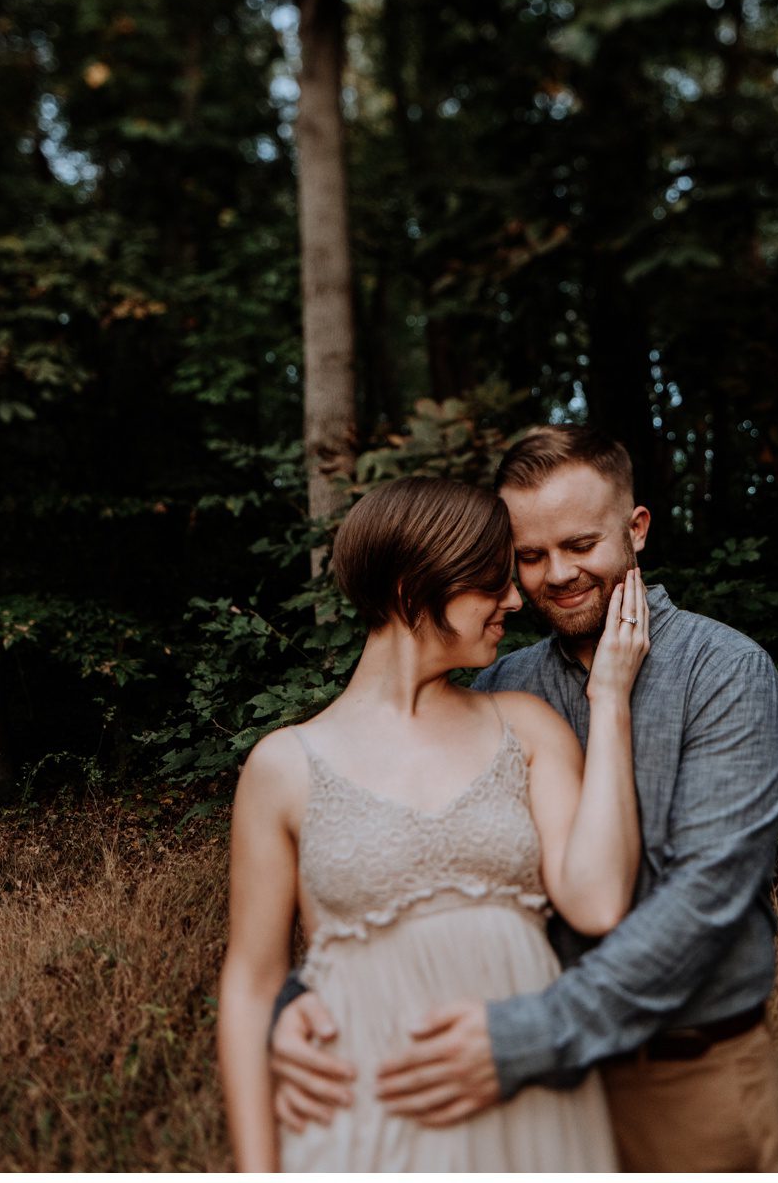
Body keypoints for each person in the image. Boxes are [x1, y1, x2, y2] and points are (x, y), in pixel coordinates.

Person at [270, 425, 778, 1171]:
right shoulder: (497, 688)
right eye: (530, 556)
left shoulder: (724, 673)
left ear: (636, 529)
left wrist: (528, 1035)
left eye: (581, 545)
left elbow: (706, 900)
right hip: (520, 1086)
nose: (557, 575)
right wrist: (302, 1001)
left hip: (681, 1077)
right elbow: (413, 867)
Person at [217, 474, 651, 1171]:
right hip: (360, 1108)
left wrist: (611, 700)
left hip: (522, 1105)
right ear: (410, 590)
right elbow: (251, 986)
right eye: (490, 582)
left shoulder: (526, 728)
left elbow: (597, 900)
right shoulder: (284, 766)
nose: (515, 598)